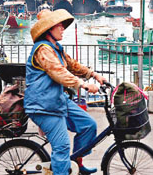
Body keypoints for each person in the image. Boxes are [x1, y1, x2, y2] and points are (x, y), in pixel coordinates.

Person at [24, 9, 106, 175]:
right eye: (59, 26)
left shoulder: (56, 48)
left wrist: (94, 74)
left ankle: (76, 164)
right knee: (61, 147)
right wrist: (83, 85)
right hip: (43, 106)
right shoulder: (43, 50)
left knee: (88, 125)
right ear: (49, 29)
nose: (63, 29)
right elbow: (58, 72)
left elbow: (73, 65)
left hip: (57, 100)